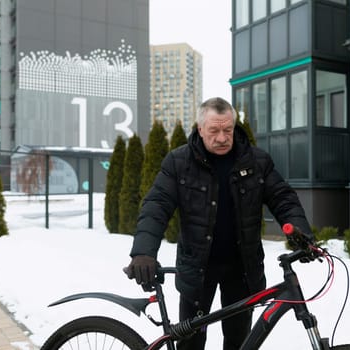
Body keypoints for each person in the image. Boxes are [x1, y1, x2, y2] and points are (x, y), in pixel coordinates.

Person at [125, 97, 313, 350]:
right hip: (197, 271)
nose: (222, 138)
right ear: (200, 129)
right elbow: (156, 206)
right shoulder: (179, 163)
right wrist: (143, 252)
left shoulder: (256, 161)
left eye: (228, 130)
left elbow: (283, 198)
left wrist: (300, 230)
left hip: (242, 270)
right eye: (214, 130)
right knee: (191, 342)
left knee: (240, 342)